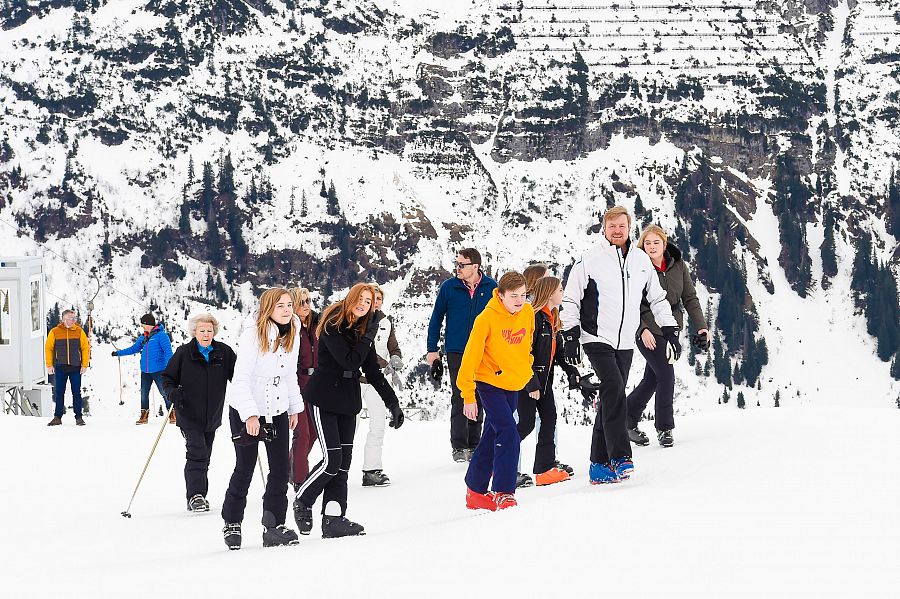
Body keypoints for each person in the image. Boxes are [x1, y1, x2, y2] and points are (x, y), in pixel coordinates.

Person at [561, 206, 679, 484]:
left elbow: (657, 298)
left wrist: (670, 328)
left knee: (609, 399)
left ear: (629, 228)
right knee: (613, 387)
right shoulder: (590, 260)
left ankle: (598, 465)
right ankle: (620, 456)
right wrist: (570, 335)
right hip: (595, 337)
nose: (616, 230)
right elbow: (570, 299)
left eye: (621, 226)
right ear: (604, 228)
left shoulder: (640, 260)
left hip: (625, 341)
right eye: (611, 226)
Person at [293, 284, 405, 539]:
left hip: (347, 400)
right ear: (351, 298)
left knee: (343, 464)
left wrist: (392, 403)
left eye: (370, 301)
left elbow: (372, 372)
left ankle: (333, 518)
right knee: (332, 459)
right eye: (362, 299)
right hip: (323, 397)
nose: (366, 304)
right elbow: (349, 361)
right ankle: (303, 498)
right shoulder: (333, 323)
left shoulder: (362, 330)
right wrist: (370, 334)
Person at [221, 288, 304, 550]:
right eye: (280, 306)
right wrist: (250, 415)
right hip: (248, 409)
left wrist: (294, 407)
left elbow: (290, 374)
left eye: (289, 305)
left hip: (277, 408)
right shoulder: (253, 335)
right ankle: (232, 522)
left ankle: (274, 524)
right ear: (268, 308)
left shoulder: (293, 333)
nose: (287, 310)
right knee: (244, 468)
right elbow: (241, 378)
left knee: (280, 469)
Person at [626, 225, 708, 448]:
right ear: (642, 246)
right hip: (647, 329)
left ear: (664, 244)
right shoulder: (638, 268)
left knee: (652, 379)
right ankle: (664, 428)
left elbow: (689, 298)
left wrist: (701, 327)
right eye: (647, 243)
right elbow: (632, 302)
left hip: (670, 328)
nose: (652, 247)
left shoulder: (678, 265)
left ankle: (627, 416)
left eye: (656, 242)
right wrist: (641, 328)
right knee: (666, 376)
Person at [459, 271, 535, 511]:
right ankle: (503, 491)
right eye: (514, 296)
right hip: (489, 382)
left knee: (492, 435)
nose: (519, 300)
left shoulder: (528, 313)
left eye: (523, 295)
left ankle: (475, 489)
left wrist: (527, 373)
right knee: (509, 432)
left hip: (512, 383)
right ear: (500, 295)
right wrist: (468, 396)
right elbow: (470, 358)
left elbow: (526, 347)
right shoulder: (486, 319)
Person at [517, 275, 598, 487]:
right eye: (560, 290)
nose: (563, 293)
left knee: (549, 418)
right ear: (550, 293)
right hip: (529, 382)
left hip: (544, 382)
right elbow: (522, 353)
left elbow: (559, 353)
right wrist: (530, 382)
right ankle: (498, 463)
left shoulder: (552, 317)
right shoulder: (534, 318)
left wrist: (574, 374)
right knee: (524, 425)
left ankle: (544, 470)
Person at [426, 248, 498, 463]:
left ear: (475, 266)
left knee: (480, 395)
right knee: (460, 395)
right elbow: (436, 317)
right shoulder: (449, 287)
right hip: (457, 350)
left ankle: (475, 444)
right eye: (456, 264)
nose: (457, 268)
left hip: (484, 351)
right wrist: (432, 350)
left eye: (461, 265)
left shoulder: (491, 288)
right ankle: (459, 446)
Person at [162, 313, 237, 513]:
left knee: (206, 455)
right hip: (188, 413)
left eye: (209, 330)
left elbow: (238, 378)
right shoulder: (183, 353)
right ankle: (196, 496)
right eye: (202, 330)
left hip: (212, 415)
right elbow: (167, 378)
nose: (206, 334)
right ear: (194, 332)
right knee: (197, 453)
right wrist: (172, 392)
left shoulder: (224, 352)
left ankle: (198, 495)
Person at [359, 283, 403, 487]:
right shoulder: (358, 320)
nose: (375, 303)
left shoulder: (386, 322)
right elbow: (363, 353)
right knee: (350, 426)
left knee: (377, 425)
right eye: (371, 299)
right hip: (356, 380)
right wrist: (385, 365)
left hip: (376, 381)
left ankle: (372, 470)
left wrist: (395, 358)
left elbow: (393, 346)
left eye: (378, 299)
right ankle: (337, 470)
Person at [112, 314, 174, 425]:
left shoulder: (161, 336)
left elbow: (168, 353)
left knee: (164, 392)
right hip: (145, 371)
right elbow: (134, 349)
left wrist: (170, 368)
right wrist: (118, 353)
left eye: (143, 324)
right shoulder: (143, 337)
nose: (142, 326)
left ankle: (172, 413)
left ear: (147, 324)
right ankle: (144, 416)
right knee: (144, 393)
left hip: (159, 370)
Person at [287, 287, 320, 492]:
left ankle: (290, 467)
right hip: (297, 383)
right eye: (301, 302)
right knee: (303, 433)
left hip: (318, 383)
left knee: (316, 432)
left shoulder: (317, 323)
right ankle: (300, 478)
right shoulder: (289, 328)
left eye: (308, 301)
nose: (306, 305)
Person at [45, 309, 90, 426]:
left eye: (74, 318)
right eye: (71, 318)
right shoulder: (55, 332)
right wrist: (49, 365)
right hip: (60, 366)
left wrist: (85, 364)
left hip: (75, 367)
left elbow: (85, 348)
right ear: (64, 319)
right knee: (59, 392)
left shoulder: (79, 331)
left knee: (77, 392)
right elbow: (48, 348)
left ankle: (79, 417)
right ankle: (57, 417)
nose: (73, 320)